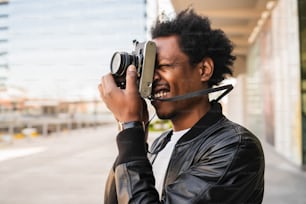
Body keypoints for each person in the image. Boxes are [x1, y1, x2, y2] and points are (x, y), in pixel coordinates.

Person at [99, 9, 265, 204]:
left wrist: (130, 126)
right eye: (149, 69)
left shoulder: (235, 148)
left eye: (163, 66)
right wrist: (133, 135)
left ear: (203, 70)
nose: (151, 78)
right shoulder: (161, 143)